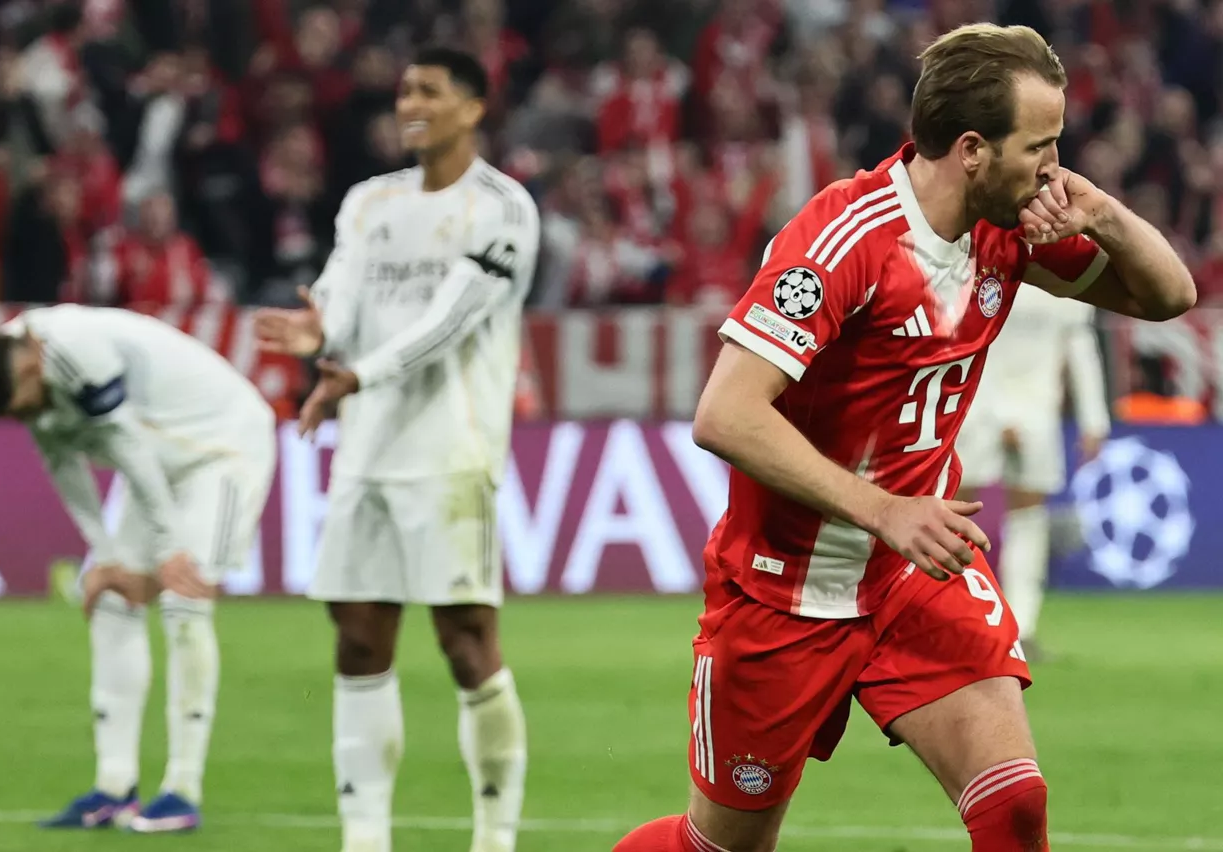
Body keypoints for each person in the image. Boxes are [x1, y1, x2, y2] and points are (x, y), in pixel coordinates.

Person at [614, 23, 1194, 852]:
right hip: (785, 593)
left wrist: (1100, 213)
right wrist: (884, 509)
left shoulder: (1007, 227)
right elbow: (726, 414)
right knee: (721, 847)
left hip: (914, 576)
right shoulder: (846, 240)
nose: (1053, 167)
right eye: (1040, 146)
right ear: (972, 151)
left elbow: (1167, 296)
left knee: (1014, 805)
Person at [254, 46, 539, 852]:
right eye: (404, 91)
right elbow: (342, 293)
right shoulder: (368, 201)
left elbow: (453, 318)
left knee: (465, 640)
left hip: (452, 450)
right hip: (368, 450)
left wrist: (357, 374)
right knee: (357, 634)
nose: (409, 103)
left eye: (429, 91)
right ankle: (365, 838)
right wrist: (321, 333)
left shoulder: (503, 207)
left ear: (473, 108)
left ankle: (494, 838)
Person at [0, 304, 276, 834]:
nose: (26, 416)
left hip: (223, 448)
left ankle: (182, 791)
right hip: (155, 460)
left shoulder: (74, 350)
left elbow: (126, 444)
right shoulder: (16, 371)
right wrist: (105, 558)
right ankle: (113, 787)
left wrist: (170, 548)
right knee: (111, 599)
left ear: (33, 364)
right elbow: (62, 463)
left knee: (185, 598)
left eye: (22, 405)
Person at [956, 285, 1111, 661]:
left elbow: (1079, 345)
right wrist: (1000, 414)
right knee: (954, 511)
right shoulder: (989, 268)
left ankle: (1020, 628)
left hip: (1035, 414)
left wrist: (1094, 420)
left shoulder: (1066, 282)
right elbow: (974, 341)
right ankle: (950, 619)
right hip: (977, 409)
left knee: (1028, 518)